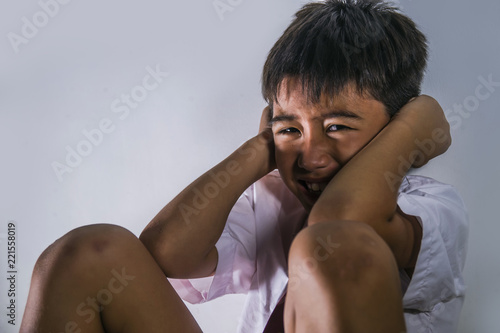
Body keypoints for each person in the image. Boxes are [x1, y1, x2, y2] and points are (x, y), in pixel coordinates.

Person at [20, 0, 468, 332]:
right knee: (88, 254)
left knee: (336, 247)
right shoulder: (274, 201)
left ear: (393, 126)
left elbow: (339, 223)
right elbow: (165, 253)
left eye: (336, 127)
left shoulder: (433, 207)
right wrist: (261, 147)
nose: (310, 157)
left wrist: (411, 132)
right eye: (290, 129)